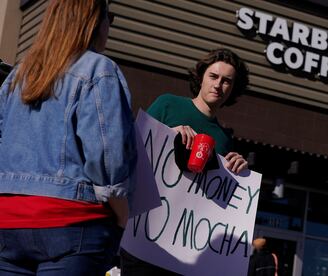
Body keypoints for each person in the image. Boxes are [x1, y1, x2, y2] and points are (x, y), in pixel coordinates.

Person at [0, 0, 136, 275]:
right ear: (92, 22)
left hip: (9, 224)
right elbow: (108, 162)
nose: (109, 25)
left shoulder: (19, 74)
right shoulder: (99, 70)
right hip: (73, 226)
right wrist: (123, 216)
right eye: (109, 16)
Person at [120, 48, 250, 275]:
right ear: (201, 77)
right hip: (144, 236)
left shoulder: (224, 138)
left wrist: (238, 170)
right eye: (214, 77)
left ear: (233, 89)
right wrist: (167, 134)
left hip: (184, 251)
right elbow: (133, 148)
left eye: (227, 81)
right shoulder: (168, 105)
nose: (219, 85)